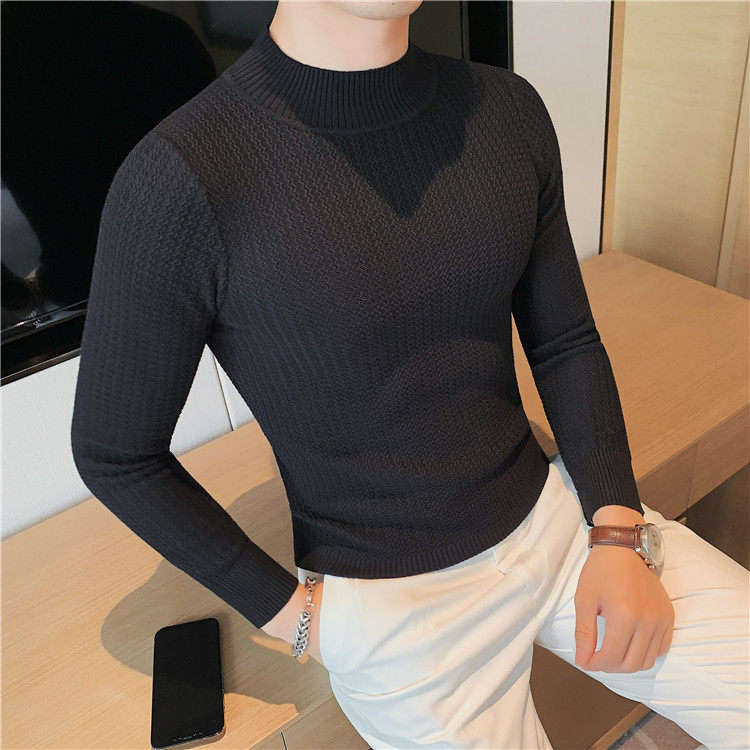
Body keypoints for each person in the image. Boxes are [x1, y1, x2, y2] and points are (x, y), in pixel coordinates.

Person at [70, 1, 749, 748]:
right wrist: (302, 622)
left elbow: (565, 342)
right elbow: (116, 453)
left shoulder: (506, 111)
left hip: (555, 513)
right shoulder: (182, 177)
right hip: (396, 609)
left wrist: (616, 529)